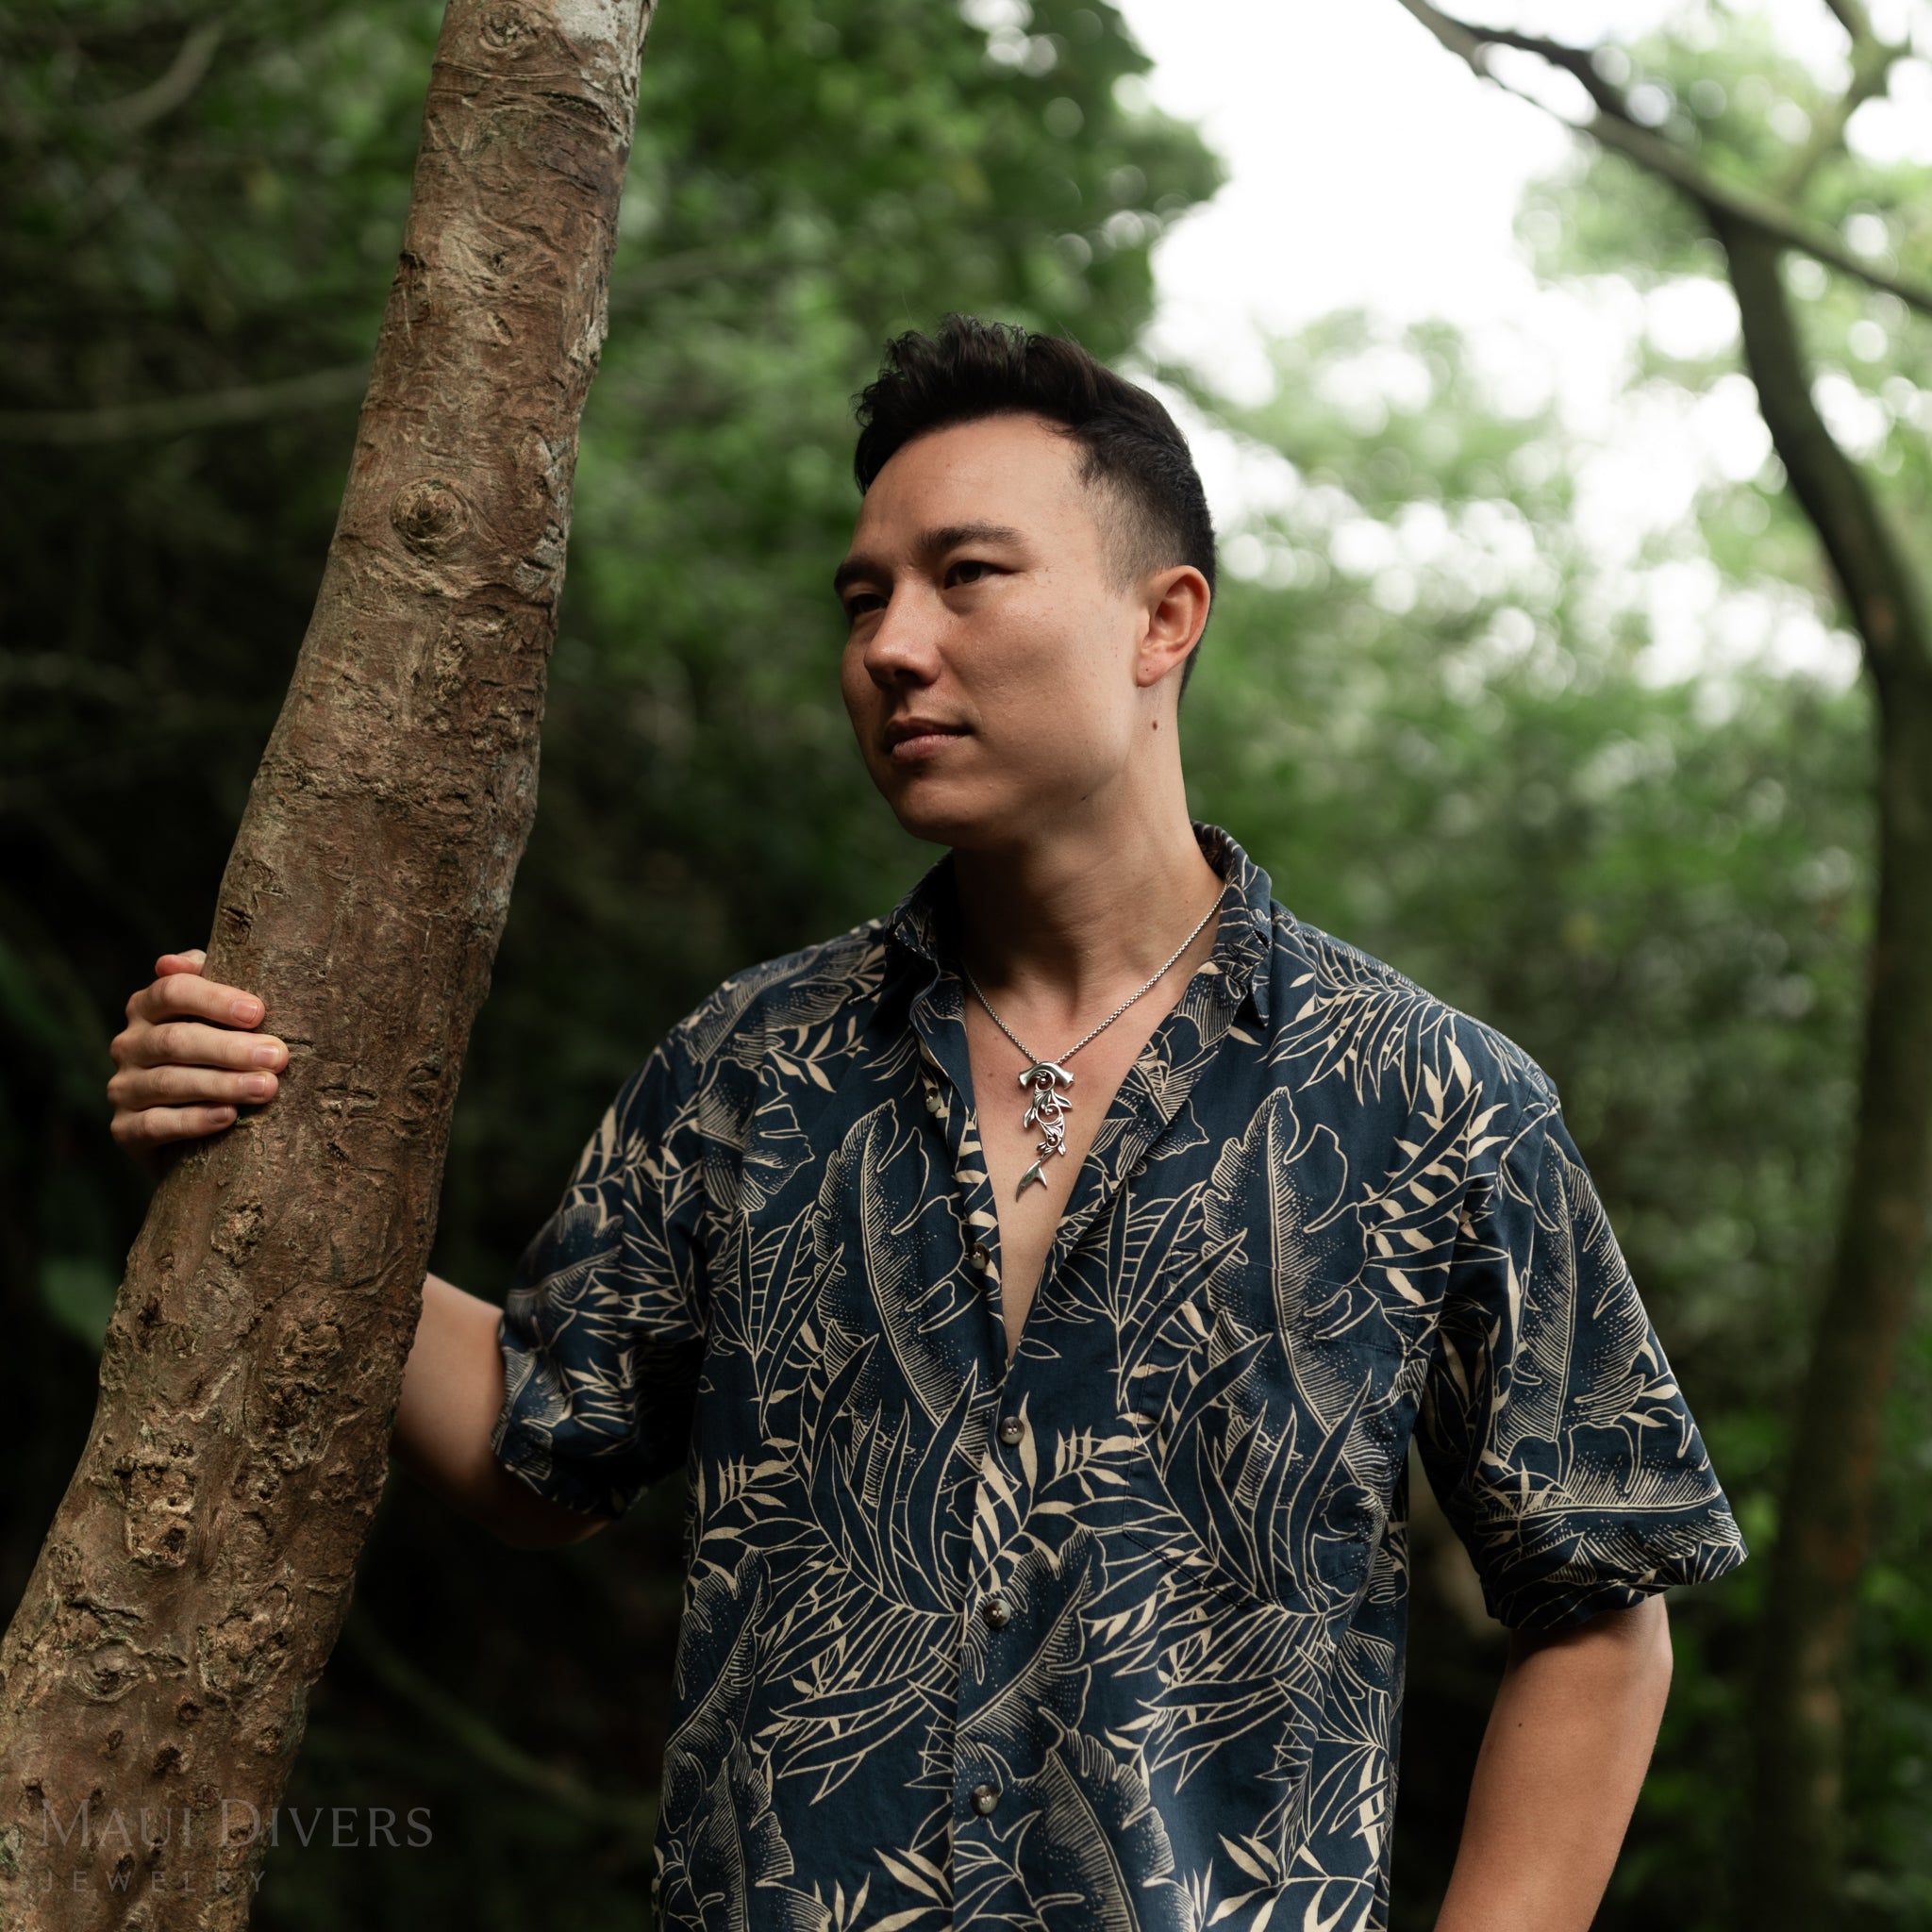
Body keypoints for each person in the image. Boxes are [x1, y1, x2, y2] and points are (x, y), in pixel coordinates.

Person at [107, 316, 1745, 1932]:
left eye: (969, 577)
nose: (894, 645)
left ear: (1163, 619)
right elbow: (547, 1443)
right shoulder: (755, 1066)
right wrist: (256, 1153)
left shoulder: (1430, 1101)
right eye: (864, 597)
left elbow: (1600, 1605)